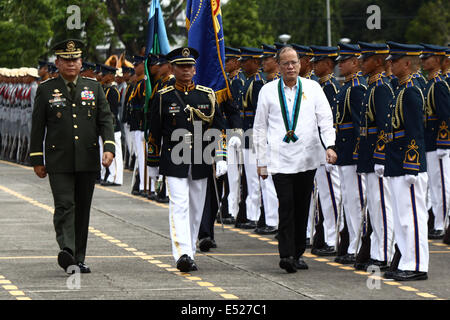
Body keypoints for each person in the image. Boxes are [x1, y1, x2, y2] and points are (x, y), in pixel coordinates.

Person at [29, 39, 115, 274]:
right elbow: (38, 126)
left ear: (81, 62)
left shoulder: (93, 87)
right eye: (66, 60)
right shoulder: (46, 89)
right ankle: (67, 249)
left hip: (87, 158)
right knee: (65, 204)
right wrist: (37, 158)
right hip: (59, 160)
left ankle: (78, 257)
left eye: (75, 59)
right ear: (57, 62)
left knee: (82, 209)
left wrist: (109, 147)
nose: (70, 64)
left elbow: (105, 120)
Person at [254, 45, 337, 273]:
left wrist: (329, 146)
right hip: (279, 160)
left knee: (302, 206)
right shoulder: (268, 91)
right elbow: (259, 128)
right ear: (279, 66)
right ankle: (286, 254)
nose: (291, 67)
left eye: (294, 63)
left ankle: (299, 251)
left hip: (307, 157)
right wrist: (261, 162)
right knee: (286, 205)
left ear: (301, 65)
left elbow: (325, 119)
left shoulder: (313, 88)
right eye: (286, 63)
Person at [147, 47, 228, 272]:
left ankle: (190, 249)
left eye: (190, 66)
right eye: (181, 66)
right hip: (174, 159)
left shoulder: (206, 95)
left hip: (201, 159)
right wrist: (152, 163)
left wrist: (221, 156)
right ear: (172, 69)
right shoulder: (163, 97)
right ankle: (182, 252)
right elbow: (153, 132)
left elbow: (218, 128)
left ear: (195, 69)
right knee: (179, 205)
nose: (186, 70)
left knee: (195, 208)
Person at [383, 42, 429, 281]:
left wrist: (412, 164)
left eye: (394, 61)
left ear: (407, 64)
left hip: (407, 164)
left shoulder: (411, 91)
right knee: (402, 219)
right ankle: (406, 261)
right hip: (396, 163)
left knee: (412, 218)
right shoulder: (399, 90)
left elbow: (414, 132)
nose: (389, 64)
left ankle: (417, 265)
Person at [354, 42, 395, 271]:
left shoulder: (380, 88)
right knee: (375, 209)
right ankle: (378, 252)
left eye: (366, 58)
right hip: (369, 156)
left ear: (378, 61)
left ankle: (385, 255)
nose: (361, 62)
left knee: (382, 207)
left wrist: (380, 156)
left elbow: (384, 126)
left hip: (377, 157)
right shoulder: (371, 86)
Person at [332, 43, 367, 265]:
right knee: (349, 202)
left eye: (344, 61)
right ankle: (353, 244)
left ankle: (359, 246)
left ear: (355, 62)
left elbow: (358, 126)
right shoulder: (346, 87)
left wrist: (357, 154)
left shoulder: (357, 88)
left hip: (352, 154)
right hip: (344, 154)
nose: (340, 65)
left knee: (357, 202)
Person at [309, 45, 342, 256]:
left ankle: (335, 238)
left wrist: (330, 147)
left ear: (328, 65)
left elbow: (331, 122)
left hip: (327, 149)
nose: (312, 66)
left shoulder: (330, 88)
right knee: (325, 197)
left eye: (317, 62)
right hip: (320, 148)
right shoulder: (321, 86)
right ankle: (328, 236)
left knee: (332, 195)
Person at [420, 44, 450, 240]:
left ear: (438, 60)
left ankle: (443, 223)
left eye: (427, 58)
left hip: (439, 144)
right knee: (434, 185)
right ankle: (437, 221)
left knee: (442, 185)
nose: (423, 61)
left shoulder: (439, 84)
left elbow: (446, 115)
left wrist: (444, 143)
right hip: (429, 142)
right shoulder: (429, 83)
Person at [100, 64, 123, 187]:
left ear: (110, 76)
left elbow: (112, 111)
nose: (101, 77)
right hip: (108, 126)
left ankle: (116, 178)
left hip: (113, 125)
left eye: (104, 75)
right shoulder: (106, 89)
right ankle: (111, 176)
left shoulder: (113, 91)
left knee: (116, 153)